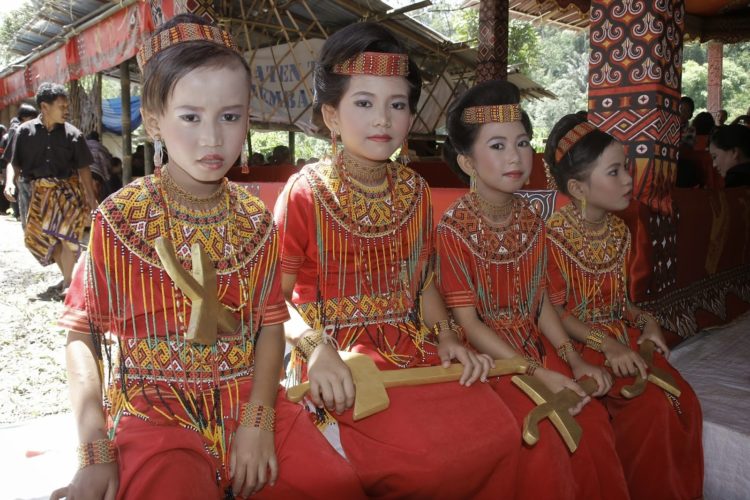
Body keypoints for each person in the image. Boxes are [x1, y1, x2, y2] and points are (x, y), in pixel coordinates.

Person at [53, 14, 364, 500]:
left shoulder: (255, 220)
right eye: (190, 116)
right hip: (155, 410)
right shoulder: (120, 218)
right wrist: (94, 450)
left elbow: (268, 326)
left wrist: (258, 422)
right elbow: (81, 332)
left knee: (332, 484)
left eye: (230, 116)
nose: (212, 138)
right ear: (154, 121)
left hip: (251, 399)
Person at [275, 22, 521, 498]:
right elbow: (273, 300)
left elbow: (425, 286)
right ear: (331, 115)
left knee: (499, 431)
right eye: (363, 104)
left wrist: (448, 337)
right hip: (338, 359)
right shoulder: (305, 191)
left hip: (414, 350)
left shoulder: (416, 191)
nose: (382, 120)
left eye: (398, 105)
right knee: (424, 462)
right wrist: (316, 349)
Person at [436, 80, 628, 500]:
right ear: (468, 162)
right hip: (489, 364)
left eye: (522, 143)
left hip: (535, 349)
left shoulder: (532, 219)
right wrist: (537, 372)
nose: (516, 157)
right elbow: (467, 323)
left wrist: (574, 361)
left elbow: (542, 306)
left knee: (593, 427)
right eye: (498, 146)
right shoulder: (453, 228)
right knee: (545, 440)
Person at [544, 113, 704, 500]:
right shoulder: (552, 235)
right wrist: (608, 345)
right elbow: (558, 313)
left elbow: (621, 302)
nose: (629, 179)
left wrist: (647, 321)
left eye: (625, 168)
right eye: (614, 172)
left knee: (682, 400)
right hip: (576, 345)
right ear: (578, 187)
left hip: (621, 338)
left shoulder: (619, 229)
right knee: (650, 410)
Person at [7, 83, 97, 295]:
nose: (67, 110)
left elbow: (84, 169)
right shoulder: (24, 132)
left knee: (66, 236)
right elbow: (14, 162)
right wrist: (10, 182)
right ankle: (68, 277)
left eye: (67, 106)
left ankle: (68, 284)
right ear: (44, 107)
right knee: (44, 238)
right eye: (61, 106)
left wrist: (91, 199)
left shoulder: (74, 135)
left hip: (69, 193)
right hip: (40, 194)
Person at [2, 103, 40, 221]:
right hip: (23, 174)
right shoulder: (18, 130)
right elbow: (12, 157)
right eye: (32, 118)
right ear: (24, 118)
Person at [85, 131, 114, 201]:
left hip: (83, 172)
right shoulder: (102, 148)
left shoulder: (82, 146)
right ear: (98, 139)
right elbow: (106, 163)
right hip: (96, 174)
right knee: (98, 193)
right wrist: (107, 177)